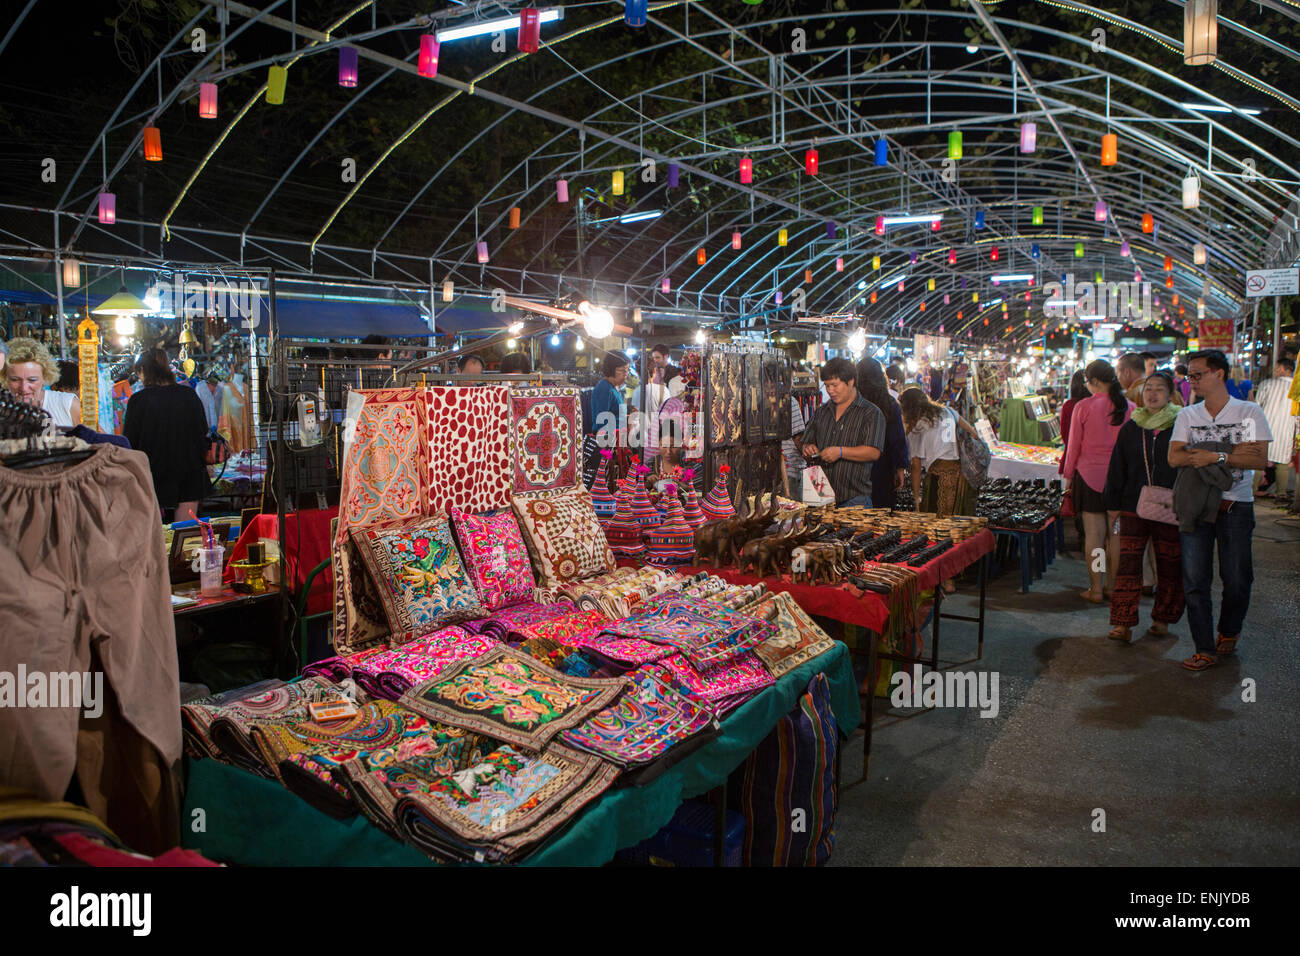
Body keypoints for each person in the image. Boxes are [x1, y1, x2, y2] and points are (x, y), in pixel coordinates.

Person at [1167, 349, 1271, 671]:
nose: (1192, 382)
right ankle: (1204, 647)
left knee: (1237, 578)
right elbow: (1175, 457)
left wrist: (1215, 456)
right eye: (1189, 377)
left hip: (1235, 505)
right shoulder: (1188, 415)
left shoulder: (1250, 412)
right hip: (1196, 505)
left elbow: (1257, 459)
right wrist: (1231, 449)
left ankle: (1230, 628)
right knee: (1195, 578)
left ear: (1219, 374)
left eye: (1197, 375)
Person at [1102, 372, 1184, 643]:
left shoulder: (1181, 425)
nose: (1152, 394)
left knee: (1168, 564)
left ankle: (1163, 618)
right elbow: (1118, 467)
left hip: (1171, 506)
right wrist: (1112, 504)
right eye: (1149, 389)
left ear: (1170, 394)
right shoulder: (1132, 427)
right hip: (1132, 505)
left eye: (1159, 389)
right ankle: (1122, 622)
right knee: (1128, 565)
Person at [1061, 359, 1133, 604]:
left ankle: (1096, 588)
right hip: (1121, 482)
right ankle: (1112, 586)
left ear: (1092, 382)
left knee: (1094, 537)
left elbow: (1073, 448)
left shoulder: (1084, 406)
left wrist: (1067, 479)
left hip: (1089, 479)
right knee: (1115, 537)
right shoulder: (1130, 406)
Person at [123, 348, 211, 522]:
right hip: (188, 472)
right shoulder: (188, 395)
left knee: (156, 536)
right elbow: (202, 430)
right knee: (184, 534)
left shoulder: (138, 400)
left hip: (152, 475)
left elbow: (130, 442)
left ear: (143, 371)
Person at [800, 357, 884, 508]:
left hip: (855, 499)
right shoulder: (822, 412)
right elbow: (806, 441)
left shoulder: (871, 413)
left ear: (850, 382)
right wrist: (808, 448)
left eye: (834, 385)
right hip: (820, 496)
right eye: (826, 385)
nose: (830, 390)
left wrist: (840, 452)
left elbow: (873, 452)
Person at [899, 387, 978, 519]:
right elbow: (974, 434)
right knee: (957, 524)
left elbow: (916, 468)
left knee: (936, 526)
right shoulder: (948, 411)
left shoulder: (917, 428)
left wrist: (916, 497)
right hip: (961, 475)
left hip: (938, 476)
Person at [857, 356, 909, 511]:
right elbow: (897, 439)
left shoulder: (852, 402)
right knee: (881, 511)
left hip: (855, 464)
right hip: (883, 465)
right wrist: (900, 468)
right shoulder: (889, 403)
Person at [4, 337, 82, 428]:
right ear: (5, 378)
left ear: (45, 376)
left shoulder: (67, 405)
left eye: (32, 380)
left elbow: (98, 440)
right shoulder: (4, 412)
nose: (24, 388)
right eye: (15, 379)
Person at [1250, 357, 1297, 506]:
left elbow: (1256, 407)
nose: (1275, 371)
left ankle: (1251, 492)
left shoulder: (1267, 384)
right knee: (1283, 463)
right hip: (1286, 430)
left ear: (1283, 369)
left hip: (1265, 429)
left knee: (1259, 462)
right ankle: (1281, 494)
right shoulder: (1297, 389)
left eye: (1277, 368)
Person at [590, 352, 629, 443]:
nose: (626, 374)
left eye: (627, 370)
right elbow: (602, 421)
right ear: (612, 370)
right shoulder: (604, 388)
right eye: (623, 370)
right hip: (609, 443)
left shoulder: (614, 388)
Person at [1058, 370, 1089, 479]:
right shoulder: (1095, 406)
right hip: (1090, 462)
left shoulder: (1069, 405)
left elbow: (1065, 435)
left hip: (1072, 459)